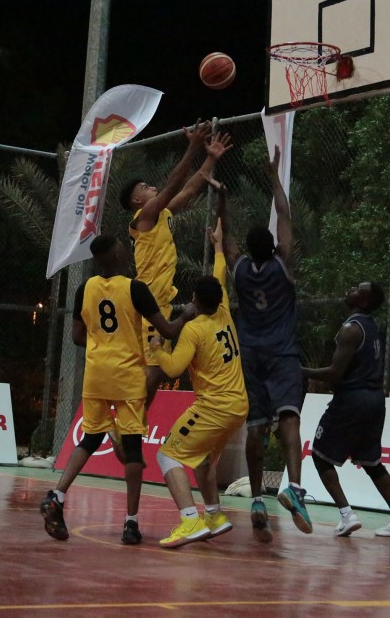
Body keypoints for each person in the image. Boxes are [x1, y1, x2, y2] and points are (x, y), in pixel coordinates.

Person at [38, 235, 194, 545]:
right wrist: (187, 315)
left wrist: (102, 342)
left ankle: (57, 494)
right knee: (133, 448)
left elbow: (77, 337)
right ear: (119, 257)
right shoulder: (135, 288)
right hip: (126, 376)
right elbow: (166, 330)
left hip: (96, 374)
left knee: (90, 438)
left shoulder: (85, 288)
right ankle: (131, 523)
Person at [213, 147, 311, 543]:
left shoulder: (238, 269)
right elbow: (285, 215)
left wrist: (222, 199)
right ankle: (295, 489)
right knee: (289, 419)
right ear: (273, 247)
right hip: (282, 354)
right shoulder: (282, 265)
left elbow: (225, 235)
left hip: (249, 355)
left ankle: (256, 499)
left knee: (256, 427)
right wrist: (273, 176)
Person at [146, 218, 249, 549]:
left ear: (194, 300)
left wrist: (157, 349)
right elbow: (219, 273)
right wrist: (218, 246)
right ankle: (215, 516)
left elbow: (174, 369)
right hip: (238, 406)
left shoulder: (193, 329)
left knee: (167, 456)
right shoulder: (224, 311)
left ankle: (190, 520)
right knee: (202, 459)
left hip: (214, 408)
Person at [119, 120, 234, 406]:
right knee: (155, 368)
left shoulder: (162, 214)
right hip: (150, 299)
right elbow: (172, 185)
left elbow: (189, 189)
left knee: (153, 369)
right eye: (145, 187)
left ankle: (133, 419)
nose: (152, 187)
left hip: (158, 300)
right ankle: (133, 421)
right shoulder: (144, 216)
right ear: (137, 200)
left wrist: (210, 158)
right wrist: (193, 147)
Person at [301, 281, 390, 538]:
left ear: (363, 302)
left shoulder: (350, 329)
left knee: (320, 456)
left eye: (356, 289)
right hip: (375, 399)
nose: (349, 289)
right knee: (371, 461)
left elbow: (334, 372)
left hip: (352, 399)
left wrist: (299, 370)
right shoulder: (372, 326)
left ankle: (347, 515)